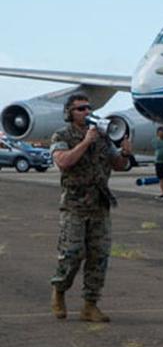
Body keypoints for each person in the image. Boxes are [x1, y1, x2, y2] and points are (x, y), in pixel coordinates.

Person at [49, 93, 133, 322]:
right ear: (69, 113)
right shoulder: (62, 135)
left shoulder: (103, 137)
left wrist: (125, 152)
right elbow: (64, 162)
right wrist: (86, 142)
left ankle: (90, 304)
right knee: (72, 253)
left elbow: (118, 164)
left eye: (88, 108)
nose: (86, 112)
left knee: (99, 256)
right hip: (75, 205)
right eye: (80, 109)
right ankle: (59, 289)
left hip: (99, 204)